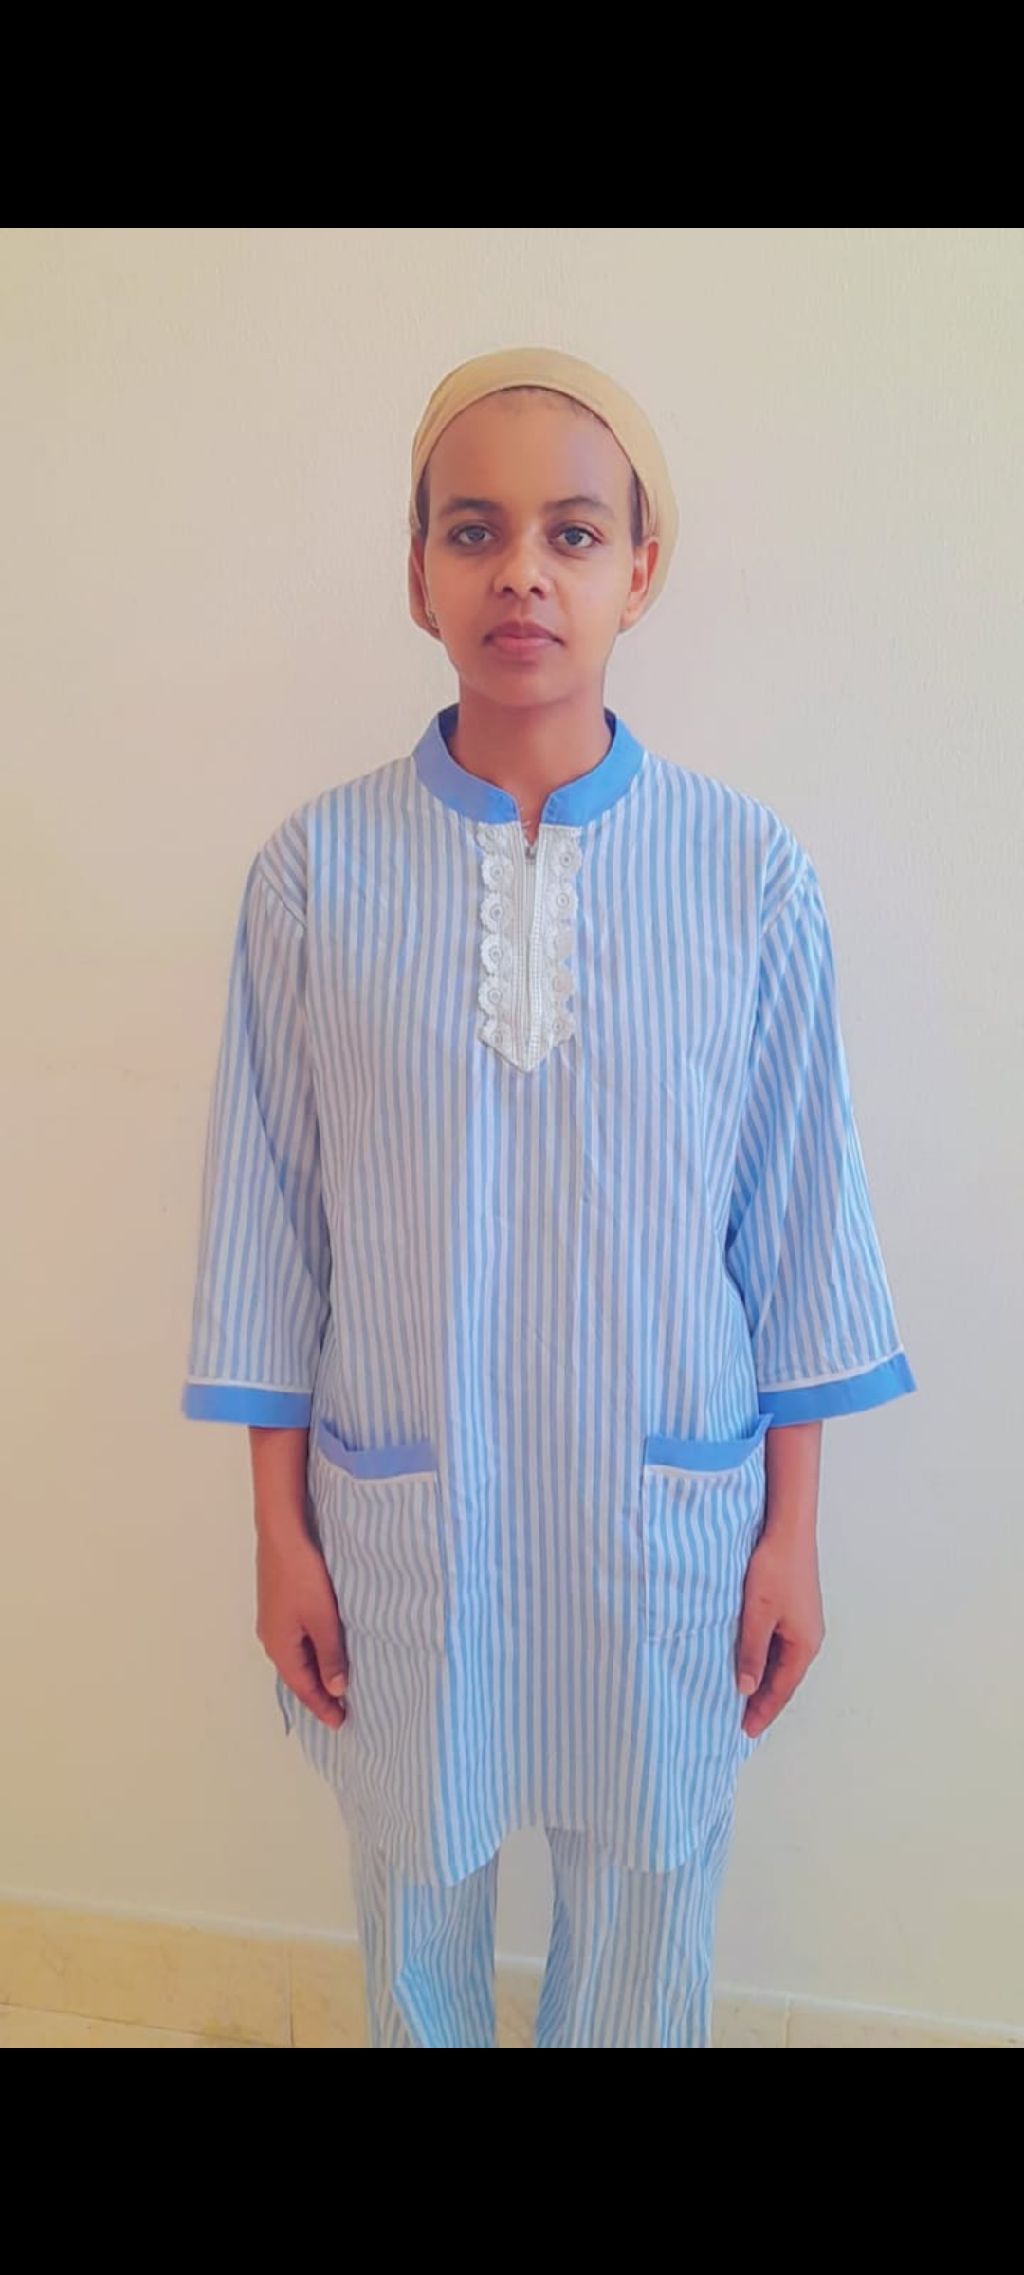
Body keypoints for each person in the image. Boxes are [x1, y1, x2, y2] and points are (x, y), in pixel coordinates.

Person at [181, 347, 915, 2048]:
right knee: (412, 1892)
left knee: (653, 1903)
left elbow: (798, 1228)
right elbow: (267, 1236)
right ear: (418, 573)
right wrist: (279, 1536)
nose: (523, 571)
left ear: (639, 570)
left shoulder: (747, 878)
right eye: (474, 530)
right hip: (406, 1522)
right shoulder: (313, 879)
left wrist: (792, 1534)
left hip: (663, 1524)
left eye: (573, 533)